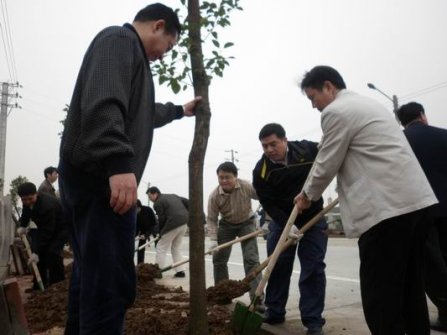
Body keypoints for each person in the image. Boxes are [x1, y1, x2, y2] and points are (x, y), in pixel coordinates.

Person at [58, 3, 201, 334]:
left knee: (92, 275)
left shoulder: (129, 54)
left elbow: (141, 113)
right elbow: (105, 100)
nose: (165, 55)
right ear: (158, 26)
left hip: (94, 180)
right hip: (101, 181)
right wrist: (119, 163)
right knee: (109, 282)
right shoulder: (119, 40)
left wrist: (180, 110)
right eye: (170, 45)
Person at [295, 65, 438, 335]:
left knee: (380, 296)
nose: (314, 106)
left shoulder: (336, 111)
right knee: (410, 289)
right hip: (416, 205)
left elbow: (327, 160)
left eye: (313, 97)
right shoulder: (369, 105)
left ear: (329, 86)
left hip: (386, 211)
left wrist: (307, 196)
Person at [253, 123, 328, 335]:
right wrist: (288, 225)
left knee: (313, 266)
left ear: (285, 140)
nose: (269, 150)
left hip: (314, 216)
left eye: (273, 144)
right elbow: (269, 204)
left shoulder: (306, 150)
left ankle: (313, 321)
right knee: (277, 264)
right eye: (264, 146)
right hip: (282, 220)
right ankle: (275, 310)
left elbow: (330, 155)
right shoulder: (262, 171)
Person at [396, 102, 447, 332]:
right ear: (423, 115)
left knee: (432, 267)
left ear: (401, 122)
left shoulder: (398, 142)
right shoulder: (443, 136)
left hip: (420, 211)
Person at [207, 162, 263, 307]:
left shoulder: (246, 186)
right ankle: (222, 296)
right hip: (226, 225)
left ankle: (257, 300)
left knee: (251, 260)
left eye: (228, 177)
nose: (224, 181)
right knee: (219, 259)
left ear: (236, 177)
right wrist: (213, 240)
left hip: (246, 223)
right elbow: (212, 219)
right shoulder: (214, 196)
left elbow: (265, 196)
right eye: (221, 177)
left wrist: (267, 219)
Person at [17, 182, 67, 288]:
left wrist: (36, 251)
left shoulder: (47, 205)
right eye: (24, 199)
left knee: (52, 253)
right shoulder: (27, 202)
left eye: (30, 198)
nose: (27, 202)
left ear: (36, 194)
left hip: (61, 229)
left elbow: (47, 232)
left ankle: (57, 283)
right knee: (40, 255)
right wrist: (22, 226)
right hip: (45, 228)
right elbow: (26, 213)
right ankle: (39, 285)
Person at [147, 186, 189, 278]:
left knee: (160, 247)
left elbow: (162, 219)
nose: (150, 200)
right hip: (184, 223)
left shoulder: (157, 203)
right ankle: (180, 271)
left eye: (150, 197)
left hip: (172, 224)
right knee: (176, 248)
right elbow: (187, 201)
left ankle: (158, 271)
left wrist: (160, 232)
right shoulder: (173, 195)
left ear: (155, 194)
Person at [135, 199, 158, 265]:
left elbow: (154, 224)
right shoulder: (135, 214)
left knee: (159, 247)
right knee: (141, 247)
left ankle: (158, 263)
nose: (134, 211)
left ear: (138, 207)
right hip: (143, 230)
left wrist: (146, 235)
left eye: (135, 209)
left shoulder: (148, 210)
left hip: (154, 228)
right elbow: (137, 227)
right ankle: (140, 264)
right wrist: (134, 236)